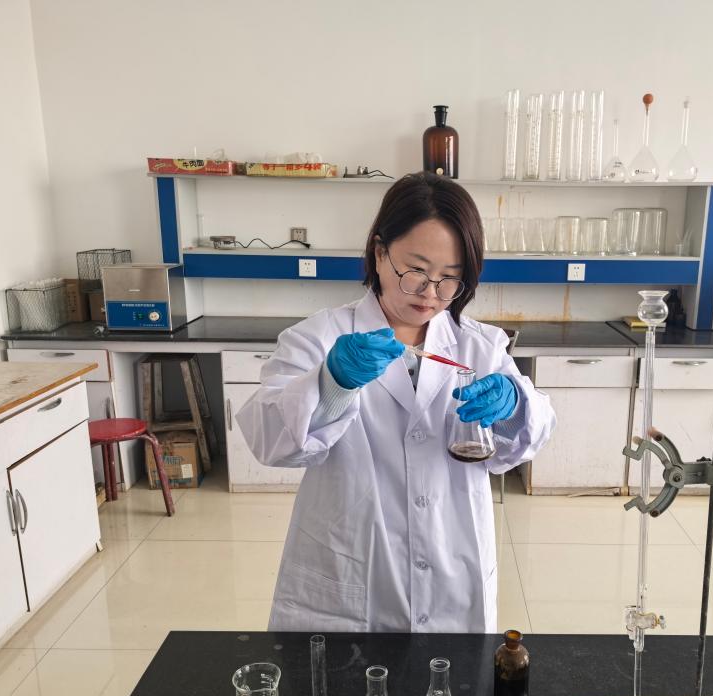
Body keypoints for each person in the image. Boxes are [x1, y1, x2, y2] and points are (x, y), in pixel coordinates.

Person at [237, 171, 555, 633]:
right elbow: (269, 441)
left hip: (452, 568)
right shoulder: (319, 338)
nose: (431, 293)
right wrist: (331, 382)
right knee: (341, 680)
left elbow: (533, 433)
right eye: (416, 271)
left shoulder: (481, 346)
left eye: (450, 278)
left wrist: (514, 405)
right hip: (348, 571)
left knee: (451, 679)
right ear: (379, 252)